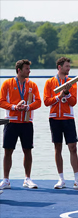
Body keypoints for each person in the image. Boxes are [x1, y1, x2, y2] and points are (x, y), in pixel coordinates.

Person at [43, 57, 78, 190]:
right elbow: (46, 102)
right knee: (57, 148)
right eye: (66, 66)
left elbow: (73, 102)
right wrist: (59, 96)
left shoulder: (72, 82)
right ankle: (61, 179)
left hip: (68, 118)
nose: (69, 69)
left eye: (69, 66)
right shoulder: (50, 82)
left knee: (73, 147)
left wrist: (67, 92)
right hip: (54, 118)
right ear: (59, 67)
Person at [0, 59, 41, 190]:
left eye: (29, 69)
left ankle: (27, 178)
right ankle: (6, 180)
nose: (29, 71)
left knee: (27, 151)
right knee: (8, 151)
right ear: (19, 70)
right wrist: (14, 107)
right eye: (27, 69)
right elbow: (1, 101)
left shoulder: (32, 85)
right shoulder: (7, 83)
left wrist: (28, 107)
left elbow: (39, 102)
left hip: (27, 122)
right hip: (11, 121)